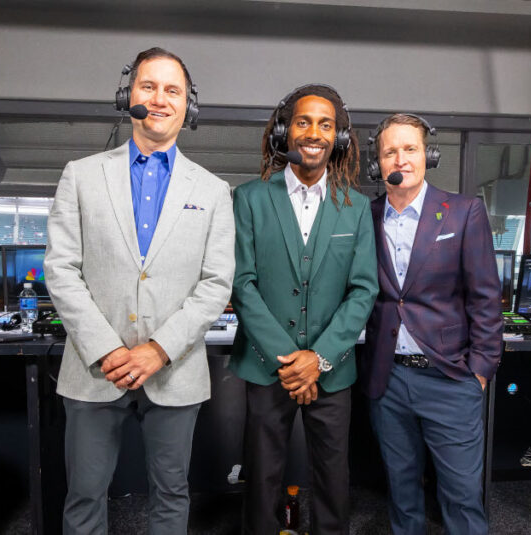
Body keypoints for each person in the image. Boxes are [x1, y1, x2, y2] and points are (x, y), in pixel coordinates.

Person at [44, 47, 235, 535]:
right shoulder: (80, 175)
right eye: (148, 86)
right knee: (84, 494)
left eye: (173, 90)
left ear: (188, 105)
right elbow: (61, 270)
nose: (160, 98)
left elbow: (216, 283)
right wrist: (107, 348)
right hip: (94, 368)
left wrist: (159, 349)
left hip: (174, 369)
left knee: (171, 494)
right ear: (127, 97)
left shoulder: (213, 191)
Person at [229, 84, 378, 535]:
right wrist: (289, 360)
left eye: (326, 124)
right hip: (266, 366)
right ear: (284, 131)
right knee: (262, 477)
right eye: (303, 121)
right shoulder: (250, 198)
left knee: (333, 481)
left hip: (332, 369)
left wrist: (320, 358)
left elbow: (363, 290)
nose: (314, 132)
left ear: (339, 137)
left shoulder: (356, 207)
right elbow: (242, 283)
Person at [360, 113, 503, 535]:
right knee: (401, 494)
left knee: (461, 496)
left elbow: (485, 297)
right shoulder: (365, 216)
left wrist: (480, 371)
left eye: (411, 149)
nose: (400, 159)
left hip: (450, 377)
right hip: (388, 380)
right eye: (390, 151)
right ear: (377, 162)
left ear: (428, 156)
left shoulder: (463, 212)